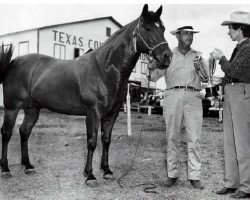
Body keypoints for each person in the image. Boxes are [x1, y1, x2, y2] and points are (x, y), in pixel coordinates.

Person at [148, 26, 206, 189]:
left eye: (191, 34)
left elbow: (206, 79)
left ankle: (195, 176)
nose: (189, 37)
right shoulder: (168, 55)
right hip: (172, 95)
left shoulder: (199, 56)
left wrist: (202, 73)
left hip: (194, 96)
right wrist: (151, 66)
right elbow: (153, 77)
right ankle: (172, 174)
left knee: (194, 138)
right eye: (186, 33)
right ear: (177, 36)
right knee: (172, 136)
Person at [211, 11, 250, 199]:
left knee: (243, 143)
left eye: (230, 28)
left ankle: (246, 186)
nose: (228, 32)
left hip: (243, 96)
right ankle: (232, 182)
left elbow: (236, 70)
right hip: (233, 95)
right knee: (230, 142)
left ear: (240, 29)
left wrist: (222, 59)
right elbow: (234, 74)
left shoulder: (249, 47)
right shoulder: (241, 47)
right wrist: (222, 80)